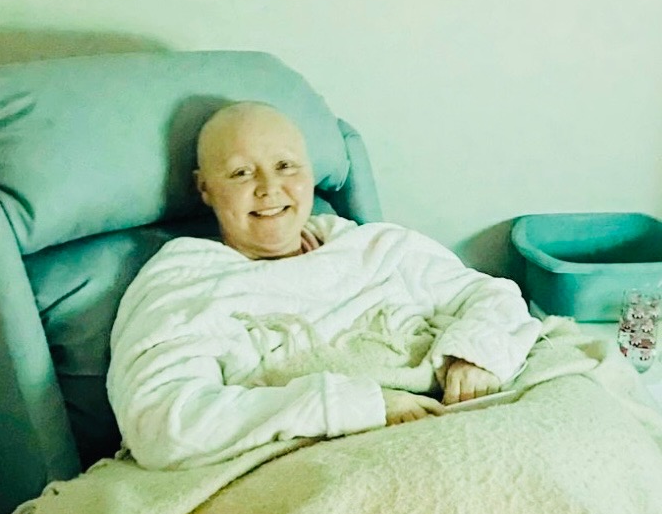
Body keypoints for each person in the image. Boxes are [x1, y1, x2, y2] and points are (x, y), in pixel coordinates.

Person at [107, 102, 542, 470]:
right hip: (321, 466)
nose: (269, 188)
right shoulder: (183, 284)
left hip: (455, 423)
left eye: (285, 166)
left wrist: (475, 355)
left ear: (310, 173)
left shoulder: (378, 248)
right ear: (204, 188)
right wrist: (362, 406)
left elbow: (490, 295)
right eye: (241, 173)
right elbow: (163, 423)